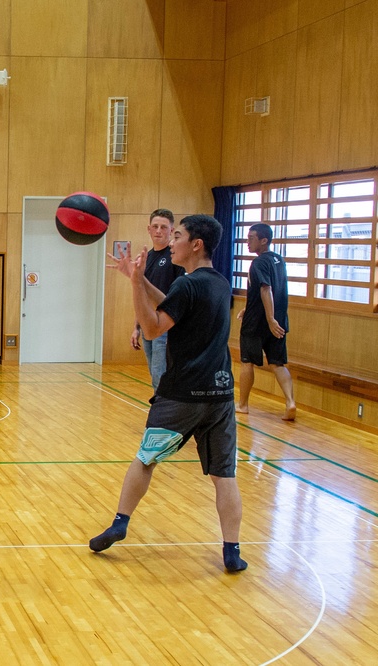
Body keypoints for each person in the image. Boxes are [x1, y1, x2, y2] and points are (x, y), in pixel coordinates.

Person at [90, 215, 248, 574]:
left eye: (177, 235)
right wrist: (143, 279)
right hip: (221, 394)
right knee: (225, 475)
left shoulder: (186, 285)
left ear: (196, 245)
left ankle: (120, 521)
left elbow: (151, 327)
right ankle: (232, 551)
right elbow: (176, 307)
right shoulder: (219, 284)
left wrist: (133, 284)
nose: (171, 241)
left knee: (146, 459)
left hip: (182, 395)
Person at [237, 223, 296, 420]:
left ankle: (243, 404)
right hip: (278, 321)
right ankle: (290, 402)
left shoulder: (259, 262)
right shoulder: (279, 260)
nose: (247, 242)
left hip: (258, 324)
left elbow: (266, 289)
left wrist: (269, 319)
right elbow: (268, 292)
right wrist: (250, 307)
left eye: (251, 238)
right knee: (278, 364)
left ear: (264, 241)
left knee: (247, 363)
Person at [130, 209, 184, 391]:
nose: (159, 231)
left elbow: (179, 295)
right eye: (155, 227)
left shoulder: (175, 256)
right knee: (155, 374)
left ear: (171, 230)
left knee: (160, 374)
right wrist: (136, 327)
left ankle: (162, 414)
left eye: (163, 227)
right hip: (148, 323)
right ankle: (161, 410)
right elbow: (141, 294)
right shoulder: (147, 257)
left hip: (166, 325)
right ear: (149, 229)